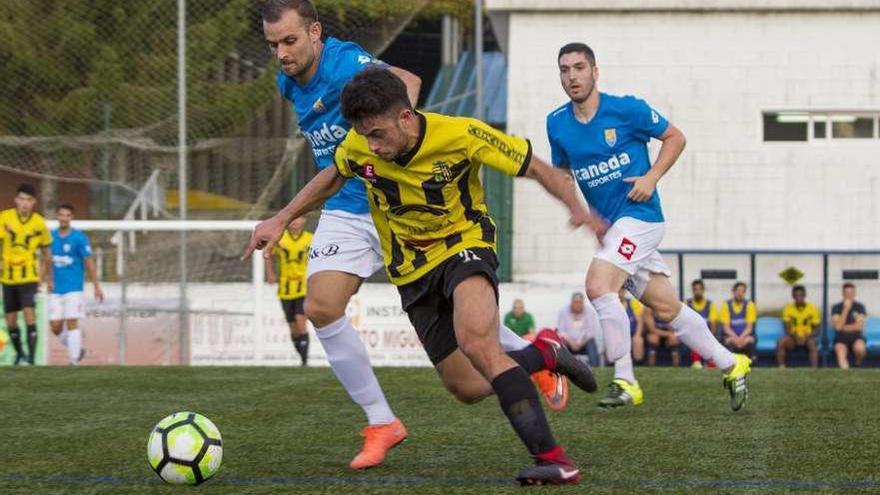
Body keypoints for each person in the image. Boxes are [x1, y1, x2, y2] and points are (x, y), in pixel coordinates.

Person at [244, 68, 599, 485]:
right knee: (467, 387)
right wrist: (283, 218)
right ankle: (545, 353)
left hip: (464, 246)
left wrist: (577, 208)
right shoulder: (360, 144)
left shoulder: (462, 133)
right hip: (412, 272)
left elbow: (538, 169)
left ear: (406, 118)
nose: (371, 146)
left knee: (477, 342)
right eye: (364, 135)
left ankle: (554, 459)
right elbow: (335, 175)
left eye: (378, 134)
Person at [546, 42, 751, 411]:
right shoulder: (556, 123)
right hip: (613, 231)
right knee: (667, 307)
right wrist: (580, 211)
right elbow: (563, 175)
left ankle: (625, 380)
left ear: (595, 72)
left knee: (597, 285)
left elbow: (676, 137)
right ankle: (732, 363)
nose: (572, 76)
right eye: (564, 70)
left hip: (642, 218)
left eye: (579, 67)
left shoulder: (627, 109)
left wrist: (652, 177)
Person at [262, 0, 419, 469]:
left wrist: (391, 141)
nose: (282, 54)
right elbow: (328, 149)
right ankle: (381, 421)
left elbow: (407, 83)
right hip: (344, 208)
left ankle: (535, 358)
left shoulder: (345, 62)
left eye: (290, 41)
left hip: (393, 202)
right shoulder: (287, 82)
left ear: (314, 32)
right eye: (273, 45)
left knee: (460, 335)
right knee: (321, 306)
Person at [0, 184, 53, 365]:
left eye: (29, 200)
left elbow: (46, 252)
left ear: (34, 202)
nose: (25, 203)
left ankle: (31, 359)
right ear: (16, 200)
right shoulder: (4, 218)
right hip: (8, 277)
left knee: (29, 314)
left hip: (29, 277)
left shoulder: (39, 223)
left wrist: (46, 277)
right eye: (21, 199)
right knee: (11, 321)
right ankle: (20, 354)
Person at [49, 204, 103, 365]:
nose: (64, 218)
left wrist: (96, 286)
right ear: (57, 216)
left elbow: (89, 261)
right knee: (55, 326)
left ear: (71, 218)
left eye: (67, 215)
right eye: (61, 215)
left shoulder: (79, 238)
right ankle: (78, 349)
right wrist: (44, 279)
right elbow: (45, 259)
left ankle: (73, 361)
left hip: (74, 287)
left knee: (72, 321)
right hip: (55, 288)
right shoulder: (50, 236)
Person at [265, 217, 313, 366]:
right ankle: (301, 357)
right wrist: (270, 274)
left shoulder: (311, 239)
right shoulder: (280, 237)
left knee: (300, 321)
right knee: (293, 328)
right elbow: (268, 253)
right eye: (293, 218)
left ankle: (304, 362)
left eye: (298, 218)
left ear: (304, 221)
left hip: (303, 287)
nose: (295, 221)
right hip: (285, 288)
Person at [777, 285, 821, 368]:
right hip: (793, 337)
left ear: (805, 296)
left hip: (808, 337)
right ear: (793, 296)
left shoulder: (813, 308)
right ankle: (781, 367)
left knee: (812, 343)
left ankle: (814, 369)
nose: (798, 298)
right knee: (781, 342)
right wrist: (795, 336)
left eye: (801, 295)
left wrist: (806, 336)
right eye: (796, 296)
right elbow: (786, 329)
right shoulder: (788, 308)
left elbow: (817, 329)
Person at [556, 292, 600, 366]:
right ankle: (563, 367)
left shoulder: (589, 311)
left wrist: (582, 342)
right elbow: (561, 331)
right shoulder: (563, 312)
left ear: (583, 303)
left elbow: (591, 331)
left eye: (580, 302)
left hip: (584, 342)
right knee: (561, 343)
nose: (578, 305)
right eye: (576, 302)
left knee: (591, 343)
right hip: (569, 342)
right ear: (571, 302)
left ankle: (595, 367)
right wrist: (571, 342)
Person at [831, 283, 867, 369]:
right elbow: (838, 327)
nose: (849, 295)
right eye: (847, 293)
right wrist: (846, 309)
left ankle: (857, 364)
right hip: (841, 339)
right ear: (843, 293)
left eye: (851, 293)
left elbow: (859, 326)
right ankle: (847, 374)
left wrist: (844, 327)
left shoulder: (859, 307)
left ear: (854, 294)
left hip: (856, 337)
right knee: (840, 352)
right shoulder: (836, 307)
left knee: (860, 348)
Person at [719, 282, 757, 360]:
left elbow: (749, 327)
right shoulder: (726, 305)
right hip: (731, 336)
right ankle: (729, 364)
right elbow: (726, 327)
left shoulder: (750, 305)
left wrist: (741, 338)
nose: (740, 293)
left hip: (745, 336)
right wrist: (736, 338)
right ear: (733, 291)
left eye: (742, 291)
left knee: (751, 340)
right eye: (738, 291)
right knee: (727, 341)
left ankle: (752, 362)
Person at [685, 279, 718, 368]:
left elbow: (713, 323)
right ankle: (697, 362)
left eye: (700, 289)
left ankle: (706, 362)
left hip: (706, 334)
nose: (698, 291)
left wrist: (710, 337)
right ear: (692, 290)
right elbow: (685, 323)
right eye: (695, 289)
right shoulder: (687, 304)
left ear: (703, 290)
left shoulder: (710, 304)